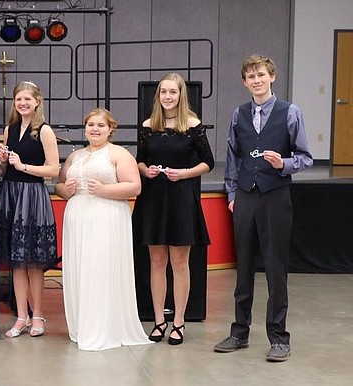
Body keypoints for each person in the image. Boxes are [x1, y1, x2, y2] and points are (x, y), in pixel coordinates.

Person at [214, 54, 313, 362]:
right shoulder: (238, 114)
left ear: (272, 77)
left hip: (275, 196)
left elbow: (306, 157)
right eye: (250, 77)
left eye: (261, 75)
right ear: (245, 83)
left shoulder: (289, 112)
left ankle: (279, 338)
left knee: (274, 267)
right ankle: (239, 332)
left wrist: (283, 163)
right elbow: (233, 157)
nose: (256, 80)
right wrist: (232, 192)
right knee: (243, 266)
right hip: (244, 196)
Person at [55, 108, 152, 351]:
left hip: (106, 215)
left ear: (111, 129)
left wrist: (104, 190)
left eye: (101, 125)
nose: (95, 129)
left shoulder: (119, 154)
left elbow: (135, 187)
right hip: (78, 215)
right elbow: (59, 187)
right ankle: (82, 324)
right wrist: (67, 189)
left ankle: (104, 327)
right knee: (80, 269)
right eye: (91, 125)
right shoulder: (75, 157)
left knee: (101, 268)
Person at [132, 73, 214, 345]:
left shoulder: (193, 125)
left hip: (181, 197)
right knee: (156, 262)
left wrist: (185, 173)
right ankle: (158, 320)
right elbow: (140, 161)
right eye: (163, 92)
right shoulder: (147, 125)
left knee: (180, 263)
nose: (168, 96)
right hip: (154, 198)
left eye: (173, 92)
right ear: (158, 96)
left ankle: (178, 321)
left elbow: (208, 163)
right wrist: (147, 171)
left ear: (181, 95)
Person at [0, 81, 59, 338]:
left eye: (27, 99)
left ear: (37, 101)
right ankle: (21, 317)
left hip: (33, 196)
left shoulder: (44, 131)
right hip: (11, 194)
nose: (23, 103)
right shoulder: (10, 129)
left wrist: (23, 167)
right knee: (16, 263)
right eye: (19, 99)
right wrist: (1, 162)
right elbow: (7, 167)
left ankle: (38, 316)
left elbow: (54, 171)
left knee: (33, 263)